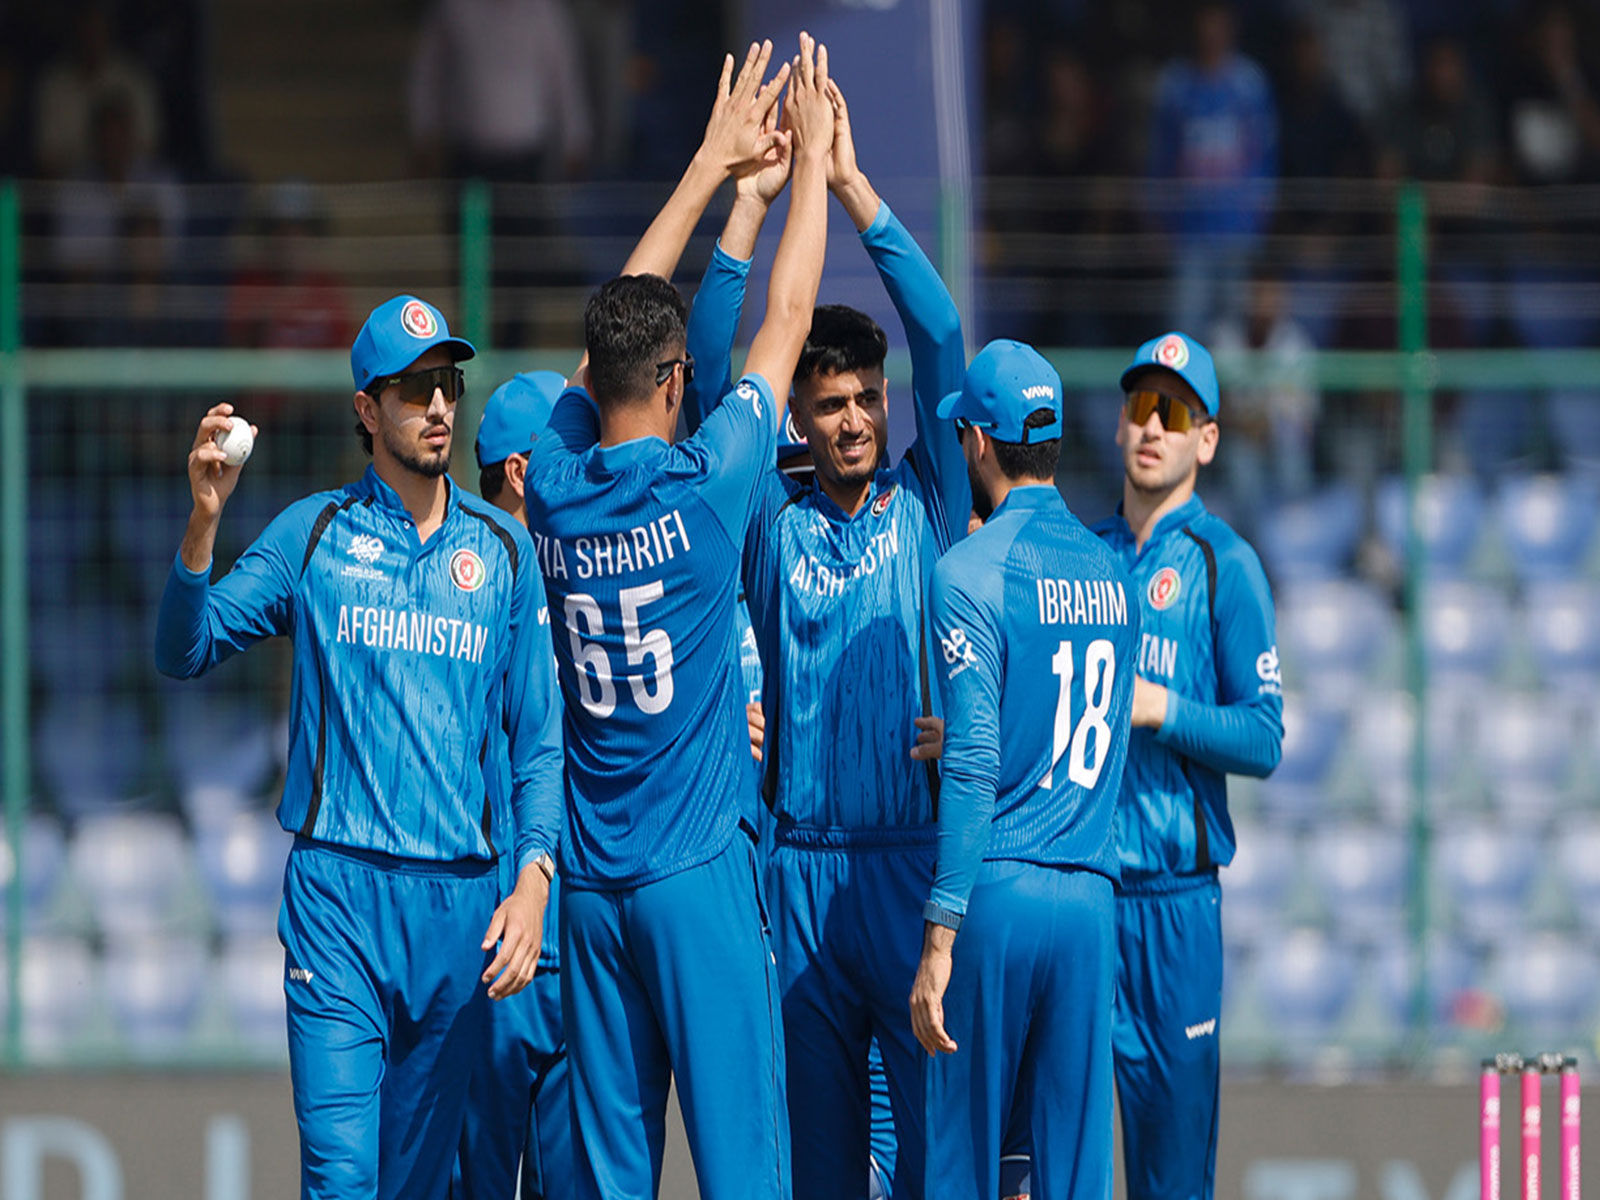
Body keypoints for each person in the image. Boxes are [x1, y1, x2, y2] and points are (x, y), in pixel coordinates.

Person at [154, 294, 564, 1198]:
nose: (440, 407)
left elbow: (539, 744)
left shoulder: (502, 551)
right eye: (415, 389)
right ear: (366, 411)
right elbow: (184, 650)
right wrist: (203, 523)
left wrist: (532, 883)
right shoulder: (315, 534)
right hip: (337, 900)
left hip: (459, 908)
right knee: (343, 1181)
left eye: (448, 384)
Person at [521, 36, 826, 1200]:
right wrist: (810, 174)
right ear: (672, 383)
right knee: (746, 1168)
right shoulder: (709, 489)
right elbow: (787, 318)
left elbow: (612, 335)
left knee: (607, 1178)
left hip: (594, 889)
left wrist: (708, 173)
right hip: (697, 874)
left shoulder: (548, 489)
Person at [680, 70, 968, 1200]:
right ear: (795, 413)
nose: (850, 420)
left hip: (905, 872)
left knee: (933, 1169)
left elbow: (942, 334)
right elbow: (707, 369)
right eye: (827, 402)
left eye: (864, 399)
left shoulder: (934, 499)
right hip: (792, 879)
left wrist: (848, 186)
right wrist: (750, 206)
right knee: (818, 1177)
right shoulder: (764, 513)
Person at [909, 339, 1138, 1200]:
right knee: (1074, 1175)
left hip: (998, 893)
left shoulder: (966, 568)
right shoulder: (1110, 570)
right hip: (1089, 900)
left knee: (963, 1166)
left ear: (976, 441)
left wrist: (939, 937)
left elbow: (973, 761)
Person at [1091, 331, 1284, 1200]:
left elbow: (1264, 737)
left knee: (1171, 1181)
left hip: (1175, 911)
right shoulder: (1080, 557)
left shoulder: (1226, 565)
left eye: (1173, 413)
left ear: (1207, 439)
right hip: (1084, 902)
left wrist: (1161, 708)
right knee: (1069, 1171)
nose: (1151, 427)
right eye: (1139, 407)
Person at [454, 370, 572, 1200]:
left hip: (590, 947)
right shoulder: (465, 580)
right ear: (526, 471)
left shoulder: (606, 572)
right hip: (491, 948)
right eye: (582, 446)